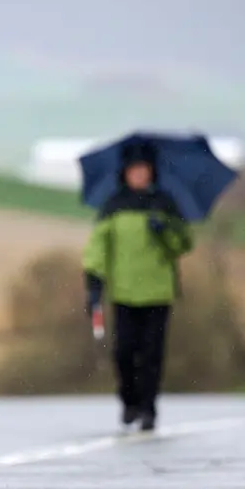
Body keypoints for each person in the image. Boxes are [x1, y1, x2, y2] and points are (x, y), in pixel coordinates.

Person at [83, 142, 194, 432]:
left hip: (158, 292)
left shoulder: (165, 204)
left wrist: (165, 230)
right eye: (134, 170)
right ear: (125, 172)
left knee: (152, 354)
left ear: (152, 172)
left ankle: (148, 408)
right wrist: (93, 284)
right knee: (124, 353)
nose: (139, 175)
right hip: (124, 292)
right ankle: (129, 399)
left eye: (144, 169)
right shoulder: (113, 207)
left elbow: (182, 245)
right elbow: (98, 248)